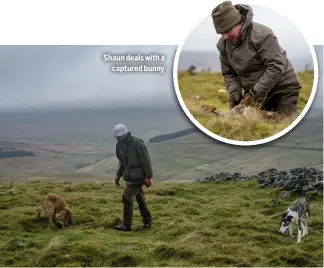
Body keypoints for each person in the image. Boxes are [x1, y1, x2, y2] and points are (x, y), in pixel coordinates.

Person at [211, 1, 302, 117]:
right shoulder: (223, 45)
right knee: (255, 125)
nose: (225, 36)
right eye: (221, 33)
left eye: (228, 31)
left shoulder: (262, 35)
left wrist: (253, 96)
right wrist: (234, 92)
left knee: (283, 124)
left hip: (283, 88)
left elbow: (275, 67)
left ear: (238, 23)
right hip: (256, 93)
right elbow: (229, 73)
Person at [112, 123, 153, 231]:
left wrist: (148, 176)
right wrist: (118, 175)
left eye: (118, 136)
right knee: (139, 198)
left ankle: (127, 225)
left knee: (126, 196)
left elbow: (146, 160)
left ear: (124, 134)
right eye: (116, 136)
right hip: (129, 176)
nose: (117, 138)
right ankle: (147, 221)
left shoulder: (137, 143)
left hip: (138, 176)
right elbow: (121, 161)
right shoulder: (119, 145)